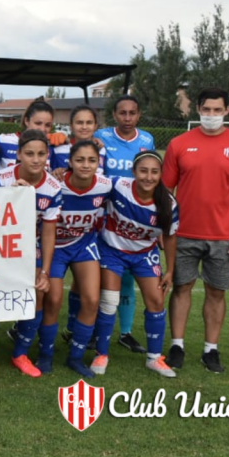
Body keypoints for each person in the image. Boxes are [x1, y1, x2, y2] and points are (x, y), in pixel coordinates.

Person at [162, 88, 229, 373]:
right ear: (198, 110)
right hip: (183, 234)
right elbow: (166, 191)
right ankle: (177, 345)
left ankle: (210, 350)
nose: (212, 115)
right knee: (182, 288)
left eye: (217, 110)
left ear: (227, 111)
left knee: (216, 293)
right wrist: (164, 228)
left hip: (226, 237)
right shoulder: (179, 144)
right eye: (207, 110)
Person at [91, 150, 178, 378]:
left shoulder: (168, 203)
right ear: (133, 172)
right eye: (143, 171)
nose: (148, 177)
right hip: (112, 250)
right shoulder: (117, 185)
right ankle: (101, 354)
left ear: (161, 174)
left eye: (154, 172)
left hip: (143, 253)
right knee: (109, 301)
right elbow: (90, 181)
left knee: (157, 301)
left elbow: (169, 236)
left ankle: (154, 358)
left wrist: (170, 269)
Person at [0, 130, 61, 378]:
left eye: (41, 154)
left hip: (30, 249)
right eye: (29, 153)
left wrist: (44, 271)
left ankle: (20, 353)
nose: (35, 159)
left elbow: (49, 233)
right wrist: (11, 195)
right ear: (18, 154)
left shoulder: (53, 187)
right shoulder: (0, 179)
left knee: (38, 294)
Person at [94, 94, 155, 354]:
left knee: (128, 277)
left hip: (133, 218)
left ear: (139, 115)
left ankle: (126, 332)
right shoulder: (101, 136)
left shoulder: (147, 140)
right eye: (122, 113)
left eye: (132, 113)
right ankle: (89, 328)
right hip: (103, 214)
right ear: (115, 115)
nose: (127, 118)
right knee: (97, 275)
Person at [46, 140, 111, 378]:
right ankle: (45, 354)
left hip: (84, 245)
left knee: (92, 300)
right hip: (55, 248)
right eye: (80, 160)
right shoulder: (55, 183)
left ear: (99, 163)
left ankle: (75, 357)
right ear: (70, 162)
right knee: (53, 300)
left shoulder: (105, 185)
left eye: (92, 160)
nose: (86, 165)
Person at [51, 105, 107, 345]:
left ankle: (77, 337)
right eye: (79, 122)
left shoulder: (104, 161)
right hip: (54, 240)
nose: (84, 126)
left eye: (89, 122)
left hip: (87, 236)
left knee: (90, 293)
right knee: (50, 298)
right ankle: (42, 347)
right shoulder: (56, 147)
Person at [0, 98, 57, 169]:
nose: (42, 129)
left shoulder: (53, 146)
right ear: (26, 121)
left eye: (48, 125)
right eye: (38, 123)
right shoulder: (3, 141)